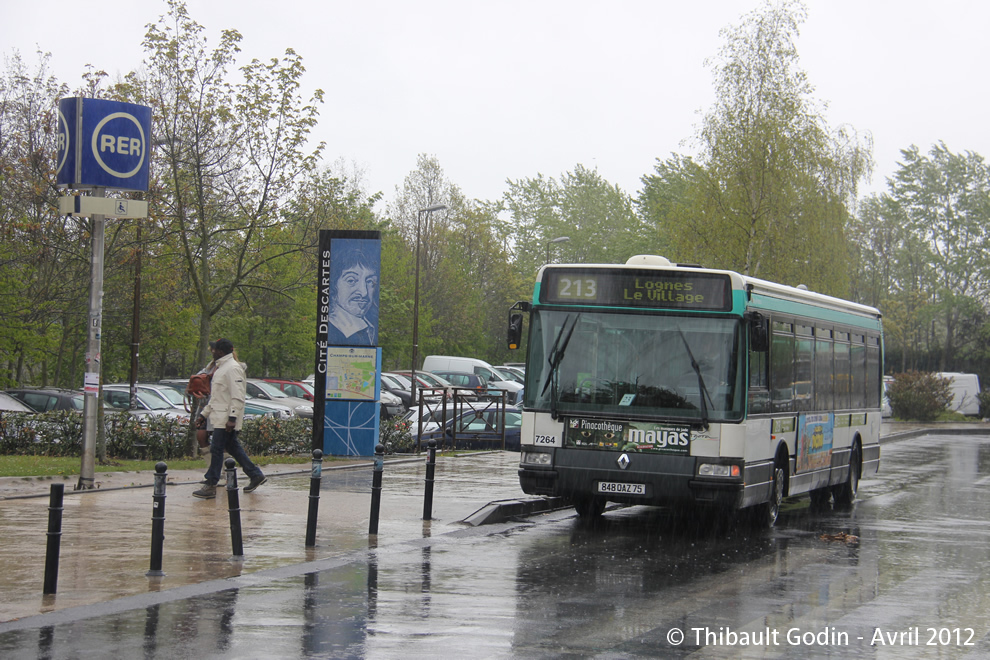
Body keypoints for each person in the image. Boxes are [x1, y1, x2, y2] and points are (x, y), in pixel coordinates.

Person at [192, 338, 266, 498]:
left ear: (220, 351)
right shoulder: (221, 368)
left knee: (217, 449)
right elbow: (216, 397)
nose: (212, 351)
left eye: (214, 349)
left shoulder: (232, 368)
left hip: (226, 419)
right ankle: (255, 474)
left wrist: (232, 417)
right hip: (219, 417)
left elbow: (238, 396)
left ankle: (210, 483)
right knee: (233, 447)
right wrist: (204, 415)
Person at [326, 245, 379, 346]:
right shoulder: (333, 329)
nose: (364, 293)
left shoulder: (368, 328)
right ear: (333, 284)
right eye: (351, 280)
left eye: (370, 282)